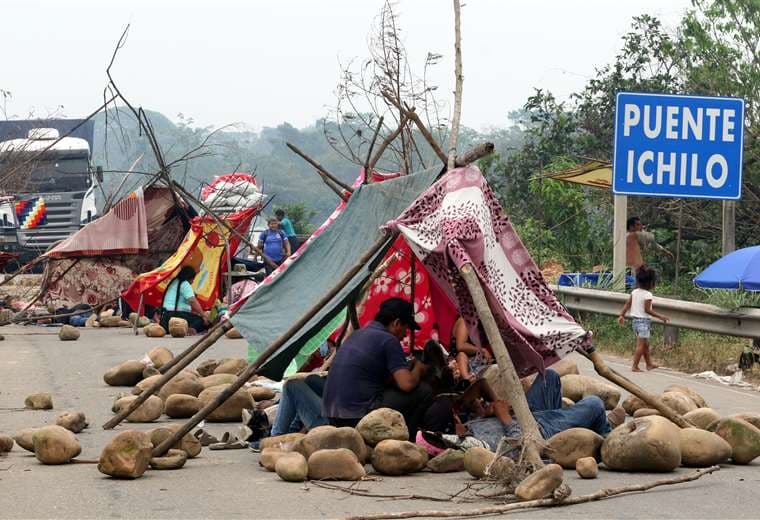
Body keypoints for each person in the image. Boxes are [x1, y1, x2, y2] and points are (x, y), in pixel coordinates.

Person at [321, 297, 433, 439]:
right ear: (397, 323)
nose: (405, 335)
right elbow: (407, 384)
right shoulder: (388, 340)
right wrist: (418, 368)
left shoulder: (357, 334)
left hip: (333, 414)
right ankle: (407, 441)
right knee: (424, 391)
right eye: (406, 328)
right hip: (359, 415)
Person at [442, 368, 623, 454]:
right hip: (538, 430)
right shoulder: (478, 445)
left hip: (528, 414)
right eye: (455, 418)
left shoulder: (470, 424)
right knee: (594, 403)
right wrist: (504, 417)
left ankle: (581, 422)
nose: (458, 417)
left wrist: (485, 410)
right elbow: (517, 446)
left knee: (549, 376)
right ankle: (606, 435)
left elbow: (481, 385)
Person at [618, 266, 669, 372]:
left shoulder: (634, 292)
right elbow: (647, 310)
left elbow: (628, 304)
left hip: (635, 322)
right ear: (650, 283)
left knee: (645, 344)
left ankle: (649, 364)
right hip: (643, 322)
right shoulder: (648, 295)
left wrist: (622, 315)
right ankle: (635, 366)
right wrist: (661, 317)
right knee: (641, 345)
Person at [160, 266, 209, 333]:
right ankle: (190, 329)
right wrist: (203, 315)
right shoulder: (185, 284)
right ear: (189, 278)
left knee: (195, 317)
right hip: (176, 315)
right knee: (200, 320)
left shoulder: (173, 282)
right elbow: (192, 301)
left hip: (165, 317)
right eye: (193, 279)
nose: (193, 282)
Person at [452, 316, 493, 383]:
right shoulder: (464, 321)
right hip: (461, 361)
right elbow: (460, 346)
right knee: (462, 356)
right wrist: (482, 350)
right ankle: (467, 381)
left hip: (478, 361)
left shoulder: (482, 323)